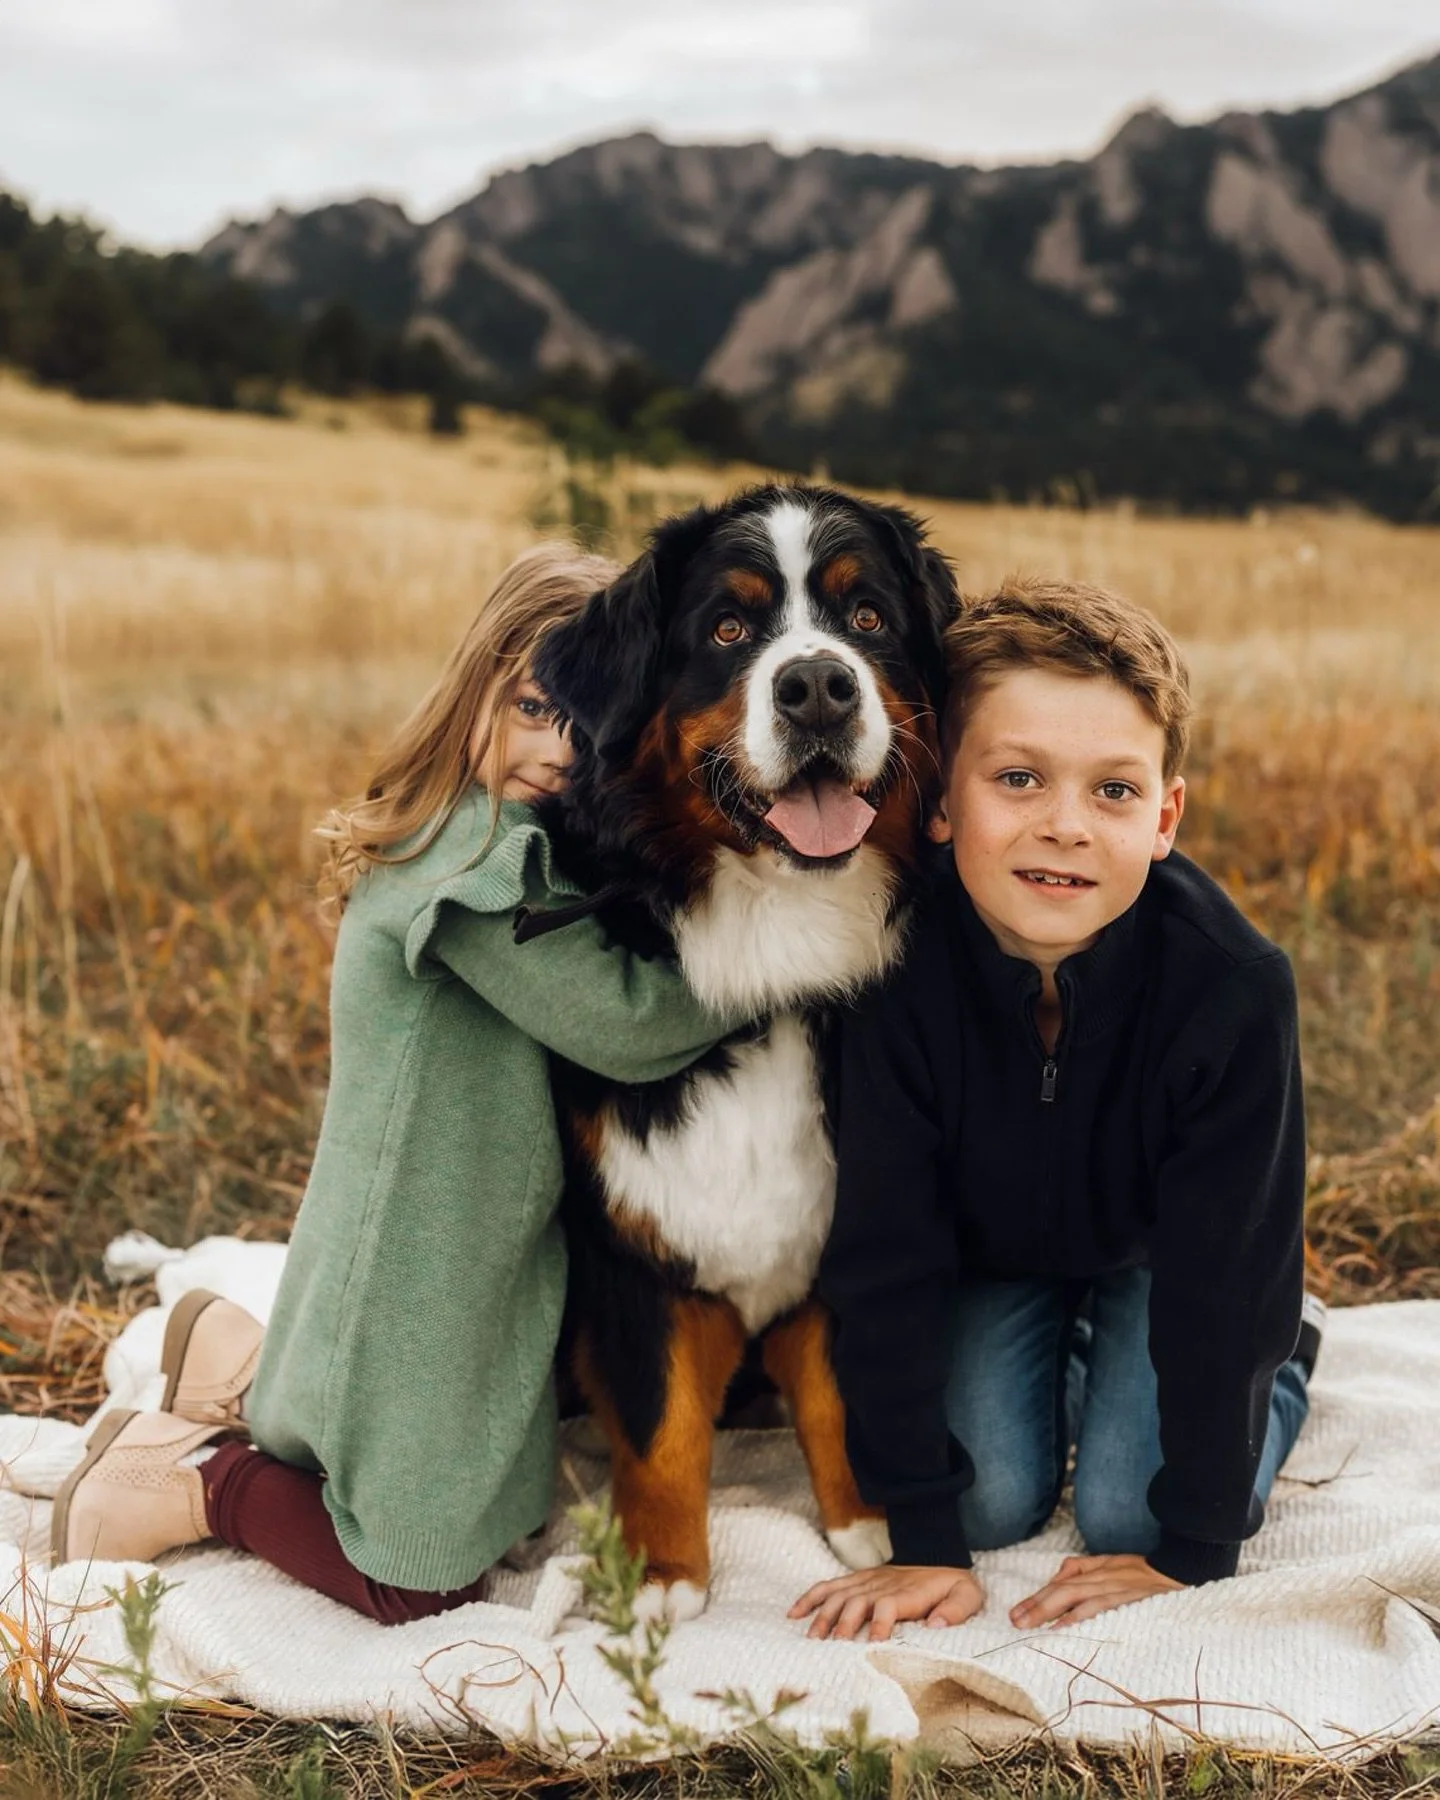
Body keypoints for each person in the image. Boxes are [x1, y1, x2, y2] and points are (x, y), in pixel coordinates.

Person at [51, 544, 741, 1624]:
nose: (563, 751)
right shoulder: (473, 865)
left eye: (597, 724)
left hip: (468, 1241)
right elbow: (630, 1027)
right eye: (533, 706)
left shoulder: (512, 840)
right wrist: (783, 953)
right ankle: (194, 1475)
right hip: (418, 1262)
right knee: (414, 1573)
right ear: (477, 686)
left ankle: (247, 1367)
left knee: (499, 1484)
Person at [791, 577, 1323, 1643]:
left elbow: (1226, 1275)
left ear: (1166, 816)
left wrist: (1197, 1546)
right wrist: (928, 1545)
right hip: (989, 1252)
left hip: (1157, 1254)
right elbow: (883, 1255)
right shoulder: (892, 968)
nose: (1065, 827)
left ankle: (1293, 1363)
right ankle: (1072, 1360)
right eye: (1020, 778)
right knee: (986, 1500)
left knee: (1134, 1508)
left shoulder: (1229, 986)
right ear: (942, 796)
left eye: (1114, 792)